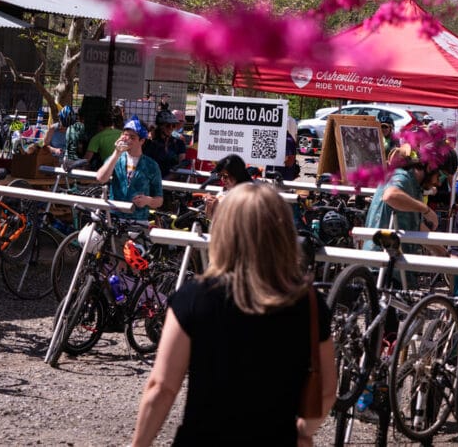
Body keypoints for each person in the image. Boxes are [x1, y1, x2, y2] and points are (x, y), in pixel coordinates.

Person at [131, 183, 335, 446]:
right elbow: (327, 389)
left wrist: (139, 443)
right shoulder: (309, 303)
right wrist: (303, 431)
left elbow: (162, 388)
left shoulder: (193, 297)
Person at [96, 118, 163, 224]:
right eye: (125, 135)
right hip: (115, 218)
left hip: (138, 220)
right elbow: (101, 178)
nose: (127, 140)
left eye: (132, 137)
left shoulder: (151, 165)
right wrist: (116, 153)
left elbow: (159, 199)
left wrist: (148, 200)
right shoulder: (116, 159)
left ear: (142, 141)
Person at [143, 110, 187, 178]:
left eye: (174, 125)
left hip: (172, 181)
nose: (171, 128)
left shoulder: (179, 143)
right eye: (168, 125)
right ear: (160, 126)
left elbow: (181, 163)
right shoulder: (150, 144)